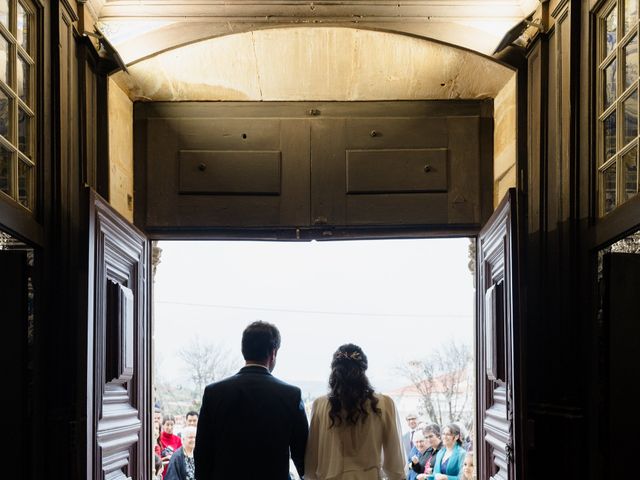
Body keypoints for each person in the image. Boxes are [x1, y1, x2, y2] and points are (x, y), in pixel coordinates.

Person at [194, 321, 308, 480]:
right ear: (273, 353)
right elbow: (302, 456)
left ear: (243, 350)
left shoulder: (214, 393)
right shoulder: (291, 395)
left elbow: (202, 453)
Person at [305, 343, 405, 480]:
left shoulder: (320, 405)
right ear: (363, 370)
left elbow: (311, 463)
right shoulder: (384, 404)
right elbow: (395, 463)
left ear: (334, 369)